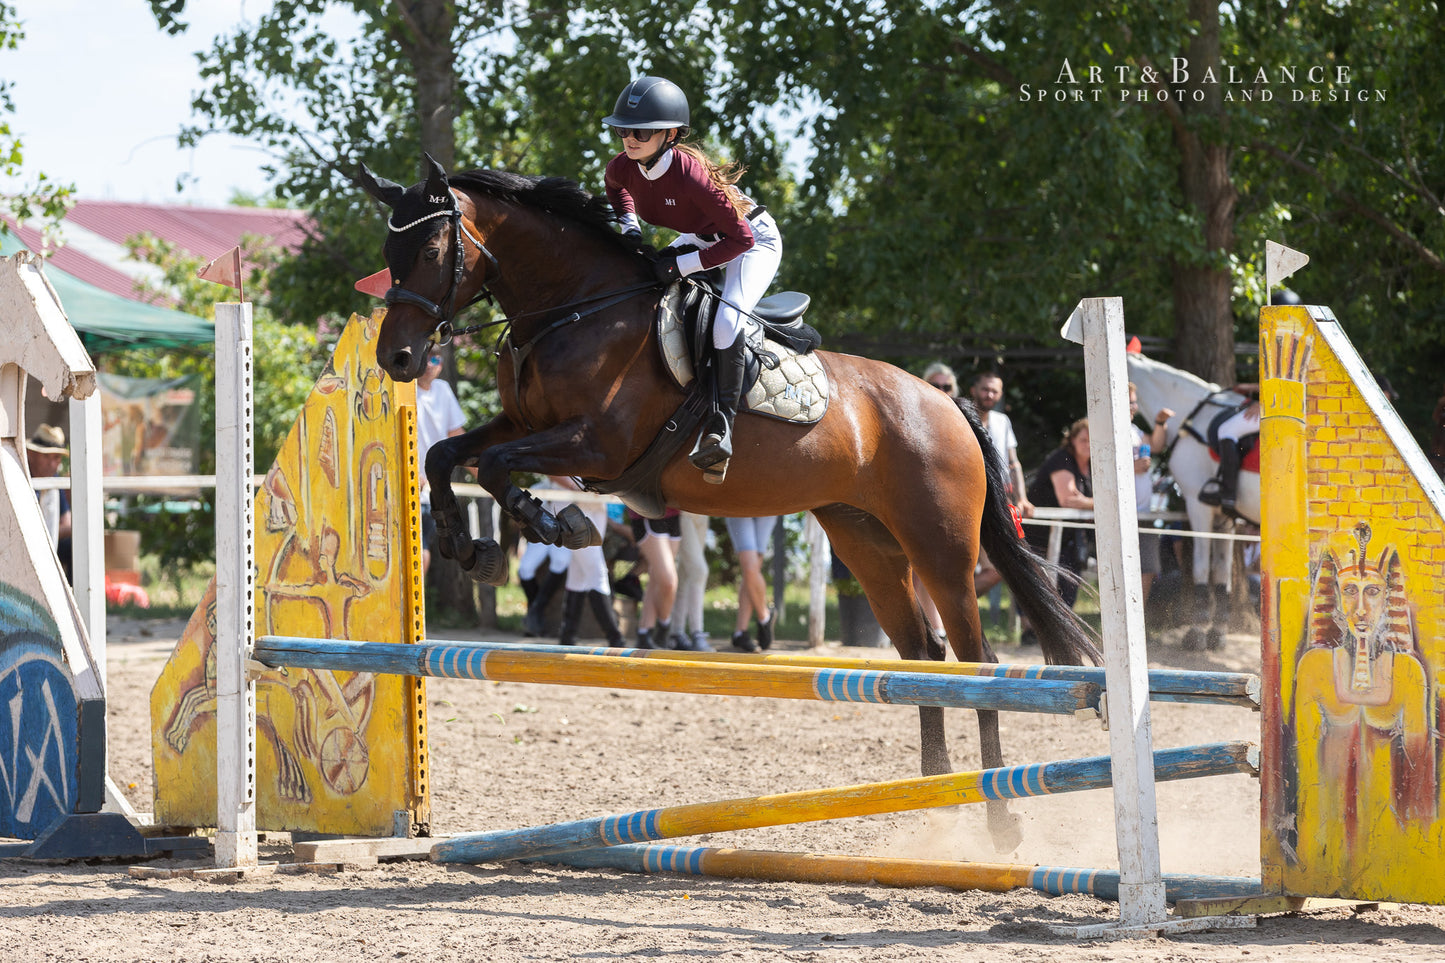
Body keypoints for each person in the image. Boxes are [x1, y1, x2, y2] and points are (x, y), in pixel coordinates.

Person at [603, 75, 782, 481]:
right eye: (622, 129)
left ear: (669, 134)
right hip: (702, 237)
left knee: (725, 323)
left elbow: (740, 239)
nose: (629, 138)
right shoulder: (622, 166)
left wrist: (682, 267)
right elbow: (616, 191)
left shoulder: (690, 174)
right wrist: (629, 225)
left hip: (752, 242)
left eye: (641, 131)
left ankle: (720, 428)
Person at [969, 372, 1034, 598]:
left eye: (994, 390)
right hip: (967, 501)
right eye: (985, 389)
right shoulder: (961, 416)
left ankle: (947, 609)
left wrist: (1022, 498)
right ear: (973, 390)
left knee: (998, 569)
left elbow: (1013, 462)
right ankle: (943, 613)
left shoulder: (1002, 421)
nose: (989, 394)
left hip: (997, 503)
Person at [545, 478, 625, 647]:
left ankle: (567, 636)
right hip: (569, 504)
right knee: (597, 572)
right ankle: (616, 639)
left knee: (579, 575)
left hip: (596, 503)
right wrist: (578, 488)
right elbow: (550, 471)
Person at [1024, 418, 1093, 611]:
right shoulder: (1061, 459)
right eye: (1083, 439)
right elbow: (1068, 500)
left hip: (1068, 536)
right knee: (1037, 584)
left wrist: (1086, 504)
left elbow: (1080, 502)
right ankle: (1030, 632)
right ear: (1072, 440)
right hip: (1039, 533)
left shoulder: (1092, 464)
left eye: (1091, 440)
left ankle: (1062, 630)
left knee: (1069, 584)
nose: (1088, 444)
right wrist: (1102, 502)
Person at [415, 352, 466, 575]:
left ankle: (416, 608)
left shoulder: (443, 391)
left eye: (435, 359)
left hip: (427, 493)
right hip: (399, 487)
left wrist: (487, 479)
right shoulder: (401, 387)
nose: (429, 364)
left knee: (420, 548)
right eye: (424, 357)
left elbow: (460, 440)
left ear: (441, 364)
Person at [1130, 383, 1173, 605]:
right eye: (1129, 401)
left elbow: (1156, 445)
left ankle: (1140, 616)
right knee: (1123, 567)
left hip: (1144, 514)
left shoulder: (1135, 432)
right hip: (1123, 515)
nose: (1133, 406)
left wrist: (1160, 422)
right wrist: (1130, 467)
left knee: (1147, 567)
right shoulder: (1104, 430)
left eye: (1134, 401)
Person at [1198, 383, 1258, 514]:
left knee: (1226, 430)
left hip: (1280, 405)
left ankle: (1228, 494)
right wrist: (1252, 387)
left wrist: (1263, 404)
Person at [26, 424, 72, 582]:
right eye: (46, 456)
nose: (52, 464)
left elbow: (68, 523)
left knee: (76, 546)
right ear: (31, 454)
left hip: (48, 546)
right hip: (21, 546)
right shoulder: (19, 475)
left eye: (56, 457)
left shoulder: (55, 480)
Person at [725, 515, 778, 653]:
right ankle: (765, 616)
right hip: (738, 505)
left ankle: (740, 632)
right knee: (750, 568)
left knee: (752, 571)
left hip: (768, 507)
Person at [631, 508, 683, 649]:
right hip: (648, 512)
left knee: (656, 578)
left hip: (674, 513)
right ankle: (664, 628)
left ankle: (644, 633)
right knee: (668, 581)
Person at [673, 511, 713, 651]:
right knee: (699, 571)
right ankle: (697, 633)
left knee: (685, 573)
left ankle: (676, 633)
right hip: (683, 511)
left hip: (703, 511)